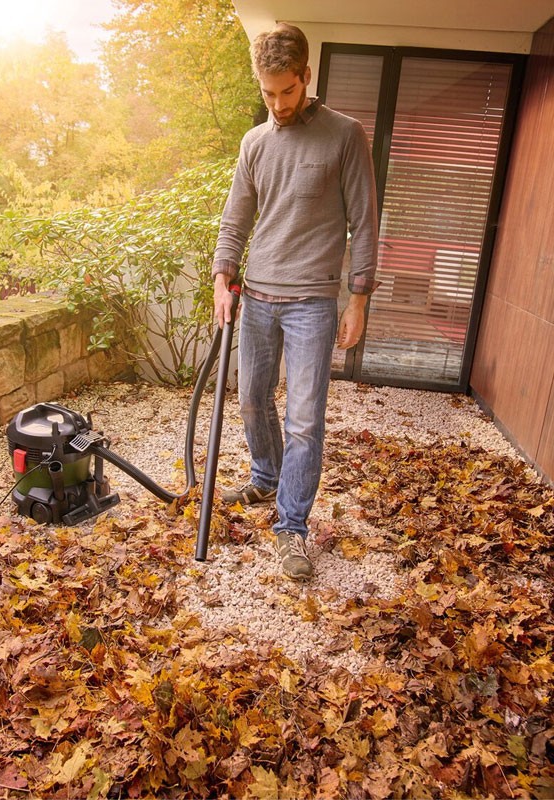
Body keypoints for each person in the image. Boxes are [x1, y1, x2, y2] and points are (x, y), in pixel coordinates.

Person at [212, 23, 378, 581]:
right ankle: (265, 478)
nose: (277, 104)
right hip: (256, 296)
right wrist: (221, 276)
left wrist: (357, 299)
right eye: (267, 93)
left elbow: (364, 221)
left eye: (286, 91)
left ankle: (292, 528)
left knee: (305, 419)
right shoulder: (255, 142)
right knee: (253, 400)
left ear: (306, 77)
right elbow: (237, 217)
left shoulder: (345, 135)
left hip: (311, 302)